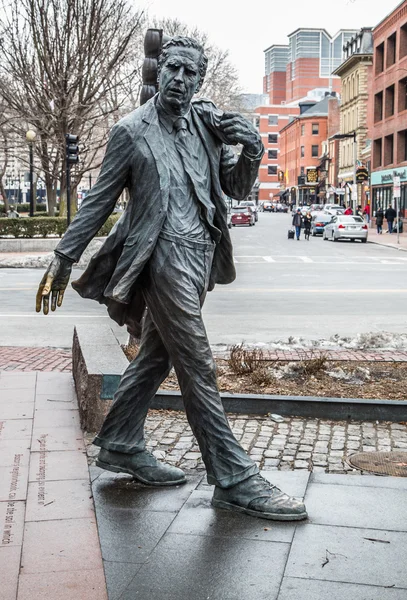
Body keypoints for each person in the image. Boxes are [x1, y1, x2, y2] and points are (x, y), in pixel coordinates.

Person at [35, 36, 306, 522]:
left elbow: (236, 188)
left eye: (190, 74)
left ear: (200, 80)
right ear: (159, 70)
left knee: (159, 354)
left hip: (201, 253)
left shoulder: (206, 123)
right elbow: (98, 200)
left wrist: (250, 146)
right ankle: (233, 477)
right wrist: (62, 256)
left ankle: (119, 442)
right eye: (173, 70)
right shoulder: (131, 132)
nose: (180, 80)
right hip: (160, 257)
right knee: (196, 362)